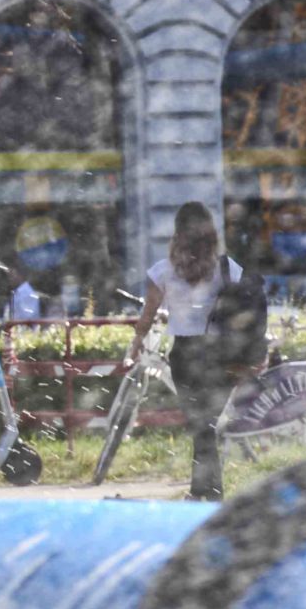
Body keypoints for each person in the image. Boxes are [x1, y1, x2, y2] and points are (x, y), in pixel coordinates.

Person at [125, 201, 250, 501]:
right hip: (222, 355)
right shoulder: (228, 268)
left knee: (200, 426)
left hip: (184, 354)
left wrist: (136, 342)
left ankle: (207, 493)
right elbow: (244, 310)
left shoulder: (163, 272)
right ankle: (205, 492)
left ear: (177, 233)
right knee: (204, 426)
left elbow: (148, 315)